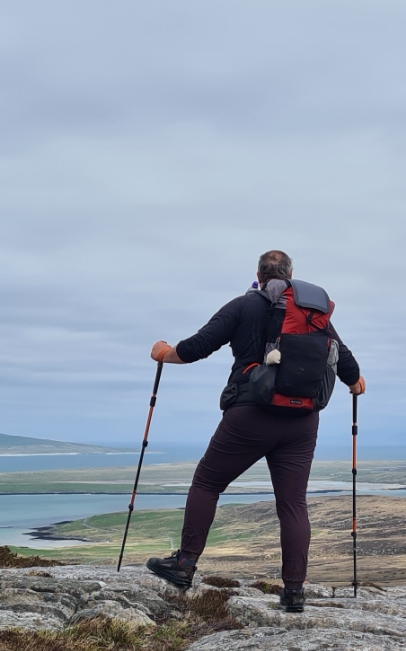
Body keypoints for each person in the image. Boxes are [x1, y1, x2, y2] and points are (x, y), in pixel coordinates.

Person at [145, 249, 364, 612]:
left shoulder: (243, 306)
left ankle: (184, 565)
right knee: (292, 504)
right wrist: (355, 383)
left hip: (250, 415)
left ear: (258, 275)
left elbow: (198, 347)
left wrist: (164, 353)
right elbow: (345, 361)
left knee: (208, 483)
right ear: (291, 275)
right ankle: (294, 591)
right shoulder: (314, 314)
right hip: (302, 422)